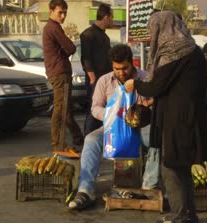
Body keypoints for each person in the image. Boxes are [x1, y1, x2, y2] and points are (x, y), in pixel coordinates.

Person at [125, 11, 207, 223]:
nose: (153, 34)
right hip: (192, 116)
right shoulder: (194, 50)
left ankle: (179, 221)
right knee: (182, 167)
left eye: (154, 29)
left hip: (177, 119)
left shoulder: (172, 52)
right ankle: (191, 217)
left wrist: (137, 85)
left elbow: (155, 86)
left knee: (169, 167)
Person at [68, 44, 159, 210]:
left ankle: (148, 188)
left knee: (156, 139)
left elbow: (157, 102)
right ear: (112, 66)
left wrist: (147, 104)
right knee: (91, 140)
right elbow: (95, 108)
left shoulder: (145, 78)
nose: (121, 73)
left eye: (125, 68)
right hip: (113, 128)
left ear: (132, 63)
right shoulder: (104, 81)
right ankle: (85, 190)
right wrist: (112, 116)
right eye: (117, 69)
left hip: (141, 127)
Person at [43, 0, 83, 152]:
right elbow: (71, 47)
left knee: (66, 109)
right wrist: (66, 49)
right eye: (60, 12)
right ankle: (58, 145)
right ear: (51, 11)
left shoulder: (53, 27)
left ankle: (77, 136)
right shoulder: (53, 27)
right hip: (59, 73)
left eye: (65, 12)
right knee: (60, 110)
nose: (63, 15)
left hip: (59, 72)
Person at [80, 4, 113, 135]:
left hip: (106, 80)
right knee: (94, 110)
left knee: (105, 110)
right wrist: (93, 79)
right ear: (106, 17)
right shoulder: (88, 34)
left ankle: (101, 137)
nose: (112, 21)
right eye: (112, 18)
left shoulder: (105, 37)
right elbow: (86, 58)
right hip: (95, 80)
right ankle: (88, 138)